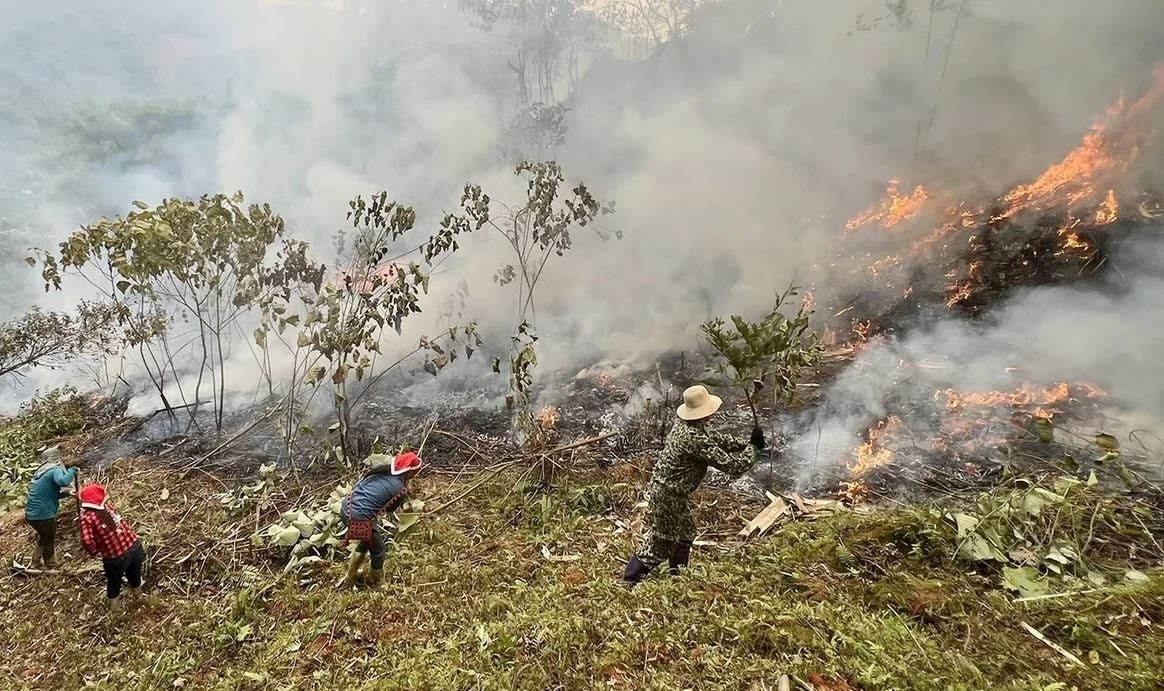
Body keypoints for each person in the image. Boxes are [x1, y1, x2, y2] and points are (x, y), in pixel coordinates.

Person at [621, 384, 765, 587]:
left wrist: (745, 443)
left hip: (673, 493)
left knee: (686, 533)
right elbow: (733, 466)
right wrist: (753, 449)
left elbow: (717, 439)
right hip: (668, 495)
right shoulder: (693, 439)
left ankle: (679, 577)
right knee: (661, 544)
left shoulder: (687, 426)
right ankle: (629, 581)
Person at [340, 450, 423, 587]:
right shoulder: (399, 487)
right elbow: (390, 509)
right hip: (359, 518)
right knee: (379, 549)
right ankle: (378, 582)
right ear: (410, 473)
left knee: (366, 542)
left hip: (346, 506)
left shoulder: (381, 472)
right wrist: (405, 493)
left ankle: (351, 575)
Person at [78, 484, 146, 611]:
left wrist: (94, 551)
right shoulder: (108, 508)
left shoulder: (87, 519)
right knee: (134, 575)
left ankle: (114, 611)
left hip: (116, 557)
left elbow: (87, 540)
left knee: (114, 583)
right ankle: (139, 598)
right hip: (134, 546)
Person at [24, 446, 80, 569]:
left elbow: (49, 494)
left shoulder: (40, 472)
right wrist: (72, 471)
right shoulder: (54, 470)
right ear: (56, 458)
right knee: (49, 539)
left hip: (32, 515)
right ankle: (51, 564)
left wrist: (67, 493)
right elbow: (63, 482)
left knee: (44, 536)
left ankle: (35, 562)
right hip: (44, 515)